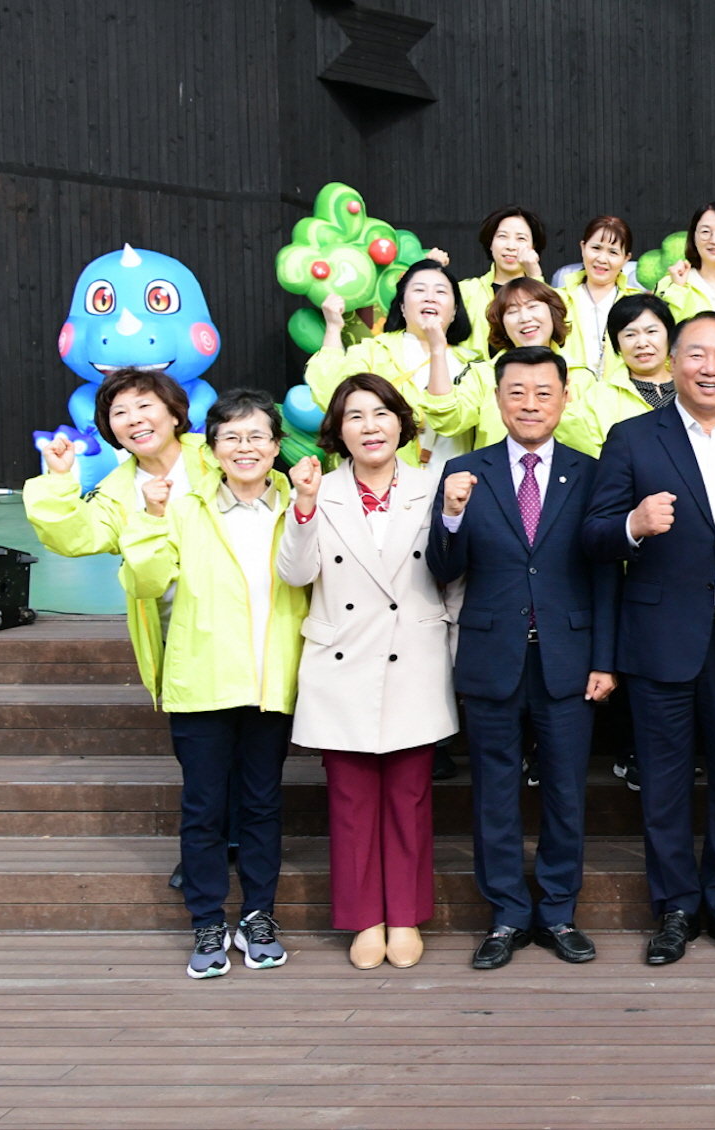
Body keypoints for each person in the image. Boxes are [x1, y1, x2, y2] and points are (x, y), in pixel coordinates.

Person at [584, 313, 715, 966]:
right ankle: (674, 906)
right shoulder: (631, 437)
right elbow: (591, 534)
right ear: (672, 363)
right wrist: (634, 525)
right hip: (658, 640)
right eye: (696, 354)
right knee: (664, 783)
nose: (709, 367)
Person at [427, 345, 618, 971]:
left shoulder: (591, 473)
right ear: (497, 398)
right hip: (491, 655)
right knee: (495, 792)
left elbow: (605, 574)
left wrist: (605, 658)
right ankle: (507, 914)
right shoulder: (463, 473)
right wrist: (451, 516)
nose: (530, 404)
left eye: (543, 392)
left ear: (565, 399)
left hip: (569, 655)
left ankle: (559, 911)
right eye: (516, 391)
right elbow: (442, 568)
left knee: (566, 789)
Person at [120, 388, 307, 979]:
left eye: (257, 436)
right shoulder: (181, 504)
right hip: (202, 682)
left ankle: (257, 915)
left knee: (261, 805)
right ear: (213, 448)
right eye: (231, 438)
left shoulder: (297, 502)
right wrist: (149, 518)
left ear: (277, 446)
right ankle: (206, 920)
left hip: (270, 682)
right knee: (202, 810)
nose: (245, 448)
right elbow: (146, 582)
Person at [277, 375, 457, 971]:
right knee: (350, 802)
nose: (371, 426)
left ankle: (404, 914)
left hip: (416, 655)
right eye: (355, 416)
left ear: (402, 424)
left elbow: (456, 577)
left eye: (381, 413)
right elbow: (297, 574)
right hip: (342, 661)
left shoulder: (435, 488)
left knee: (409, 798)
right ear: (338, 431)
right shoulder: (317, 490)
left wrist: (454, 653)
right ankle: (365, 919)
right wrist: (302, 510)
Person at [25, 368, 221, 705]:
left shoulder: (222, 459)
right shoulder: (117, 492)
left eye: (145, 406)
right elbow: (75, 537)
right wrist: (59, 479)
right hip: (177, 638)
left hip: (246, 626)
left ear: (175, 414)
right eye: (119, 412)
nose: (134, 419)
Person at [306, 259, 478, 464]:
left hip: (451, 482)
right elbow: (332, 396)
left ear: (455, 310)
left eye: (440, 292)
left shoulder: (472, 363)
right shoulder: (372, 351)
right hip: (383, 479)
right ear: (403, 306)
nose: (430, 298)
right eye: (419, 290)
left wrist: (437, 349)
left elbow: (457, 422)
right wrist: (334, 328)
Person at [422, 278, 598, 459]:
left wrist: (563, 403)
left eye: (532, 306)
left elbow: (593, 450)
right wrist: (437, 351)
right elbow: (448, 420)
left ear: (552, 314)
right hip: (497, 481)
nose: (525, 318)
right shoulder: (483, 374)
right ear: (503, 326)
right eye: (512, 311)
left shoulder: (582, 377)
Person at [458, 206, 549, 361]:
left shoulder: (555, 296)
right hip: (477, 382)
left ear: (533, 246)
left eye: (521, 238)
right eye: (502, 236)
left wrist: (535, 278)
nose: (511, 246)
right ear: (490, 243)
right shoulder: (465, 292)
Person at [560, 215, 644, 376]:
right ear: (583, 248)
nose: (602, 259)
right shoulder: (557, 300)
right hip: (570, 397)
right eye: (596, 248)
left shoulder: (637, 304)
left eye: (613, 252)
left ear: (626, 258)